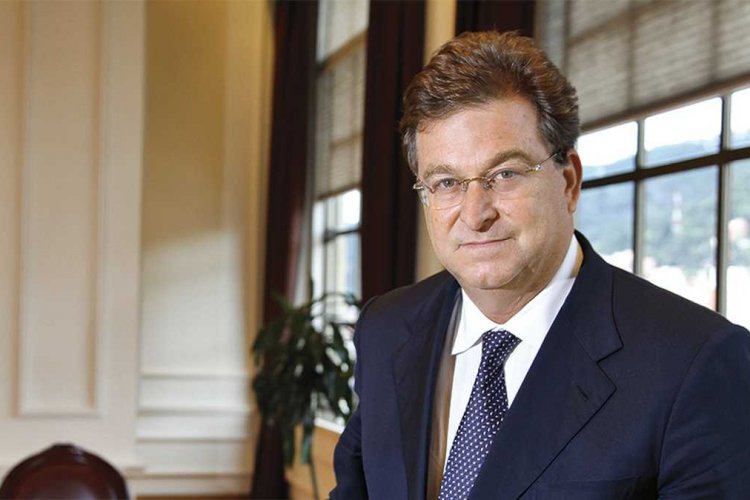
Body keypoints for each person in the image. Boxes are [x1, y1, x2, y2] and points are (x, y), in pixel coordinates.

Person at [330, 31, 750, 500]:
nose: (475, 213)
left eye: (505, 174)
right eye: (446, 182)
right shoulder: (385, 328)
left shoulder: (695, 362)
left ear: (569, 182)